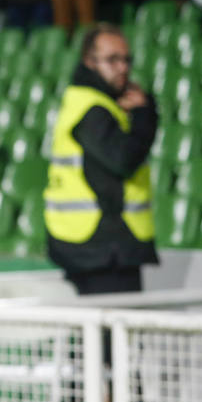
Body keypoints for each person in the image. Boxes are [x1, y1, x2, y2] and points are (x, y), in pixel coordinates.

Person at [44, 24, 157, 295]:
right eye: (112, 59)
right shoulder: (93, 107)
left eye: (126, 59)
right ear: (89, 61)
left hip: (96, 245)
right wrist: (145, 114)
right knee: (115, 336)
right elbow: (123, 159)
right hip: (101, 248)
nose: (122, 67)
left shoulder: (90, 101)